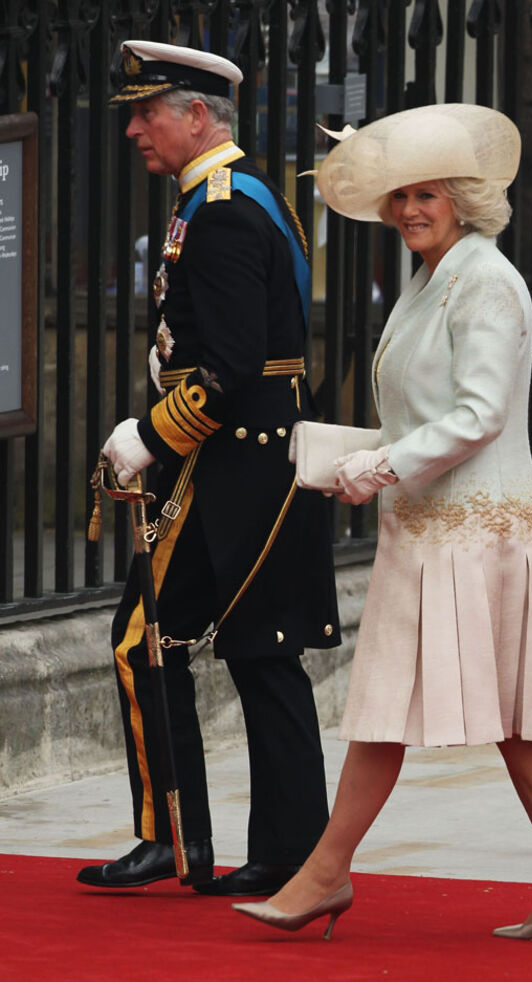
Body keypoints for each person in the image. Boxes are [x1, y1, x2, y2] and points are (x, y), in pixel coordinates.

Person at [232, 103, 532, 940]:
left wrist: (384, 464)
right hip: (448, 528)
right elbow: (436, 412)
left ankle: (324, 876)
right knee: (511, 717)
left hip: (470, 536)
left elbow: (479, 414)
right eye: (400, 196)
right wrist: (354, 452)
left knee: (387, 712)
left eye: (425, 194)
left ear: (464, 200)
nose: (408, 210)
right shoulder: (437, 276)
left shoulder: (486, 280)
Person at [76, 40, 341, 897]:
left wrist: (150, 436)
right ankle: (274, 852)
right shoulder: (240, 195)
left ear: (197, 116)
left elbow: (228, 367)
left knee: (149, 642)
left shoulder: (224, 210)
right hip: (252, 460)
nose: (132, 131)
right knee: (258, 653)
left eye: (145, 113)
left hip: (231, 462)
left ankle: (188, 841)